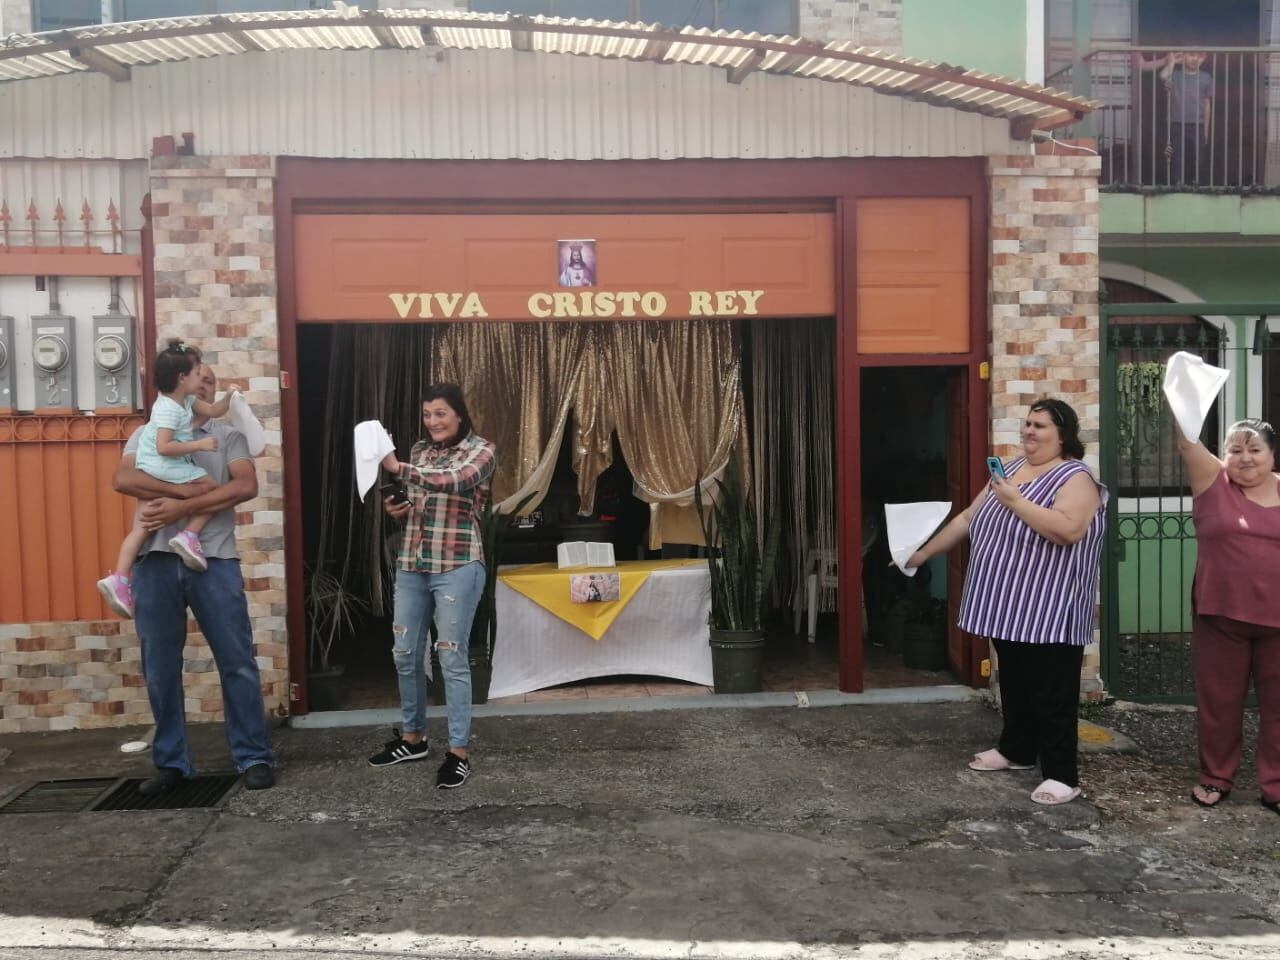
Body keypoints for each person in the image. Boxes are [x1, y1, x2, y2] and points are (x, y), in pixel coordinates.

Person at [906, 399, 1106, 806]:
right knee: (1014, 683)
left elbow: (1067, 530)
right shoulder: (1010, 470)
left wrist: (1015, 501)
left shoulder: (1076, 477)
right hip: (1008, 603)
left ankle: (1061, 774)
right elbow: (967, 519)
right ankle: (1016, 750)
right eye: (1027, 424)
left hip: (1051, 606)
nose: (1029, 432)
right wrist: (922, 553)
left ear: (1063, 434)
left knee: (1052, 691)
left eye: (1040, 426)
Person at [112, 363, 274, 795]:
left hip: (214, 560)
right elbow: (124, 477)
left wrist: (179, 509)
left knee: (237, 662)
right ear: (179, 384)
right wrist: (187, 496)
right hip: (154, 562)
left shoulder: (227, 437)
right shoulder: (150, 432)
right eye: (196, 374)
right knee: (160, 668)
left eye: (210, 377)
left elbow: (245, 485)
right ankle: (171, 763)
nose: (204, 380)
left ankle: (253, 756)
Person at [368, 383, 496, 790]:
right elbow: (419, 499)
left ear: (459, 414)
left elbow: (455, 481)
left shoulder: (482, 451)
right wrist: (397, 508)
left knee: (451, 657)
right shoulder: (421, 450)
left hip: (458, 564)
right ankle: (413, 738)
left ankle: (458, 752)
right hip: (412, 562)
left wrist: (396, 468)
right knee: (405, 653)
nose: (433, 422)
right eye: (427, 414)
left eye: (440, 413)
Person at [1176, 418, 1280, 815]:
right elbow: (1187, 443)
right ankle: (1216, 777)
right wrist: (1184, 392)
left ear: (1271, 454)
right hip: (1221, 616)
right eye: (1235, 450)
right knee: (1219, 704)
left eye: (1255, 449)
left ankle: (1275, 786)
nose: (1245, 458)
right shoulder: (1213, 484)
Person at [97, 341, 236, 618]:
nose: (201, 381)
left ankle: (119, 579)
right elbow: (164, 447)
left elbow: (214, 410)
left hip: (159, 466)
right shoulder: (167, 411)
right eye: (198, 374)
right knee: (209, 488)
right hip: (161, 462)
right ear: (182, 378)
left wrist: (232, 396)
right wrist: (198, 450)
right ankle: (189, 535)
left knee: (142, 526)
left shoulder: (185, 400)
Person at [1160, 51, 1213, 186]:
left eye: (1198, 55)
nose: (1195, 58)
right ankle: (1177, 184)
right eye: (1190, 55)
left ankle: (1198, 183)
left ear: (1203, 58)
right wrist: (1172, 62)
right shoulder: (1176, 75)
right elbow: (1163, 76)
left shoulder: (1206, 77)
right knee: (1177, 156)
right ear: (1183, 57)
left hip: (1198, 123)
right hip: (1177, 122)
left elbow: (1207, 104)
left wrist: (1206, 129)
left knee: (1199, 156)